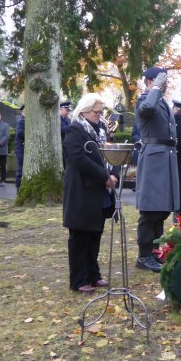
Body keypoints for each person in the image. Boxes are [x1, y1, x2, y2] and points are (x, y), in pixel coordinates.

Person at [62, 93, 117, 293]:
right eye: (96, 112)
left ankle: (94, 275)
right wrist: (104, 177)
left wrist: (113, 173)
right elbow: (79, 159)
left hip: (99, 191)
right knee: (79, 236)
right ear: (84, 110)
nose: (100, 115)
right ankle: (78, 279)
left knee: (95, 233)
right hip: (81, 190)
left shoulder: (101, 129)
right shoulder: (74, 130)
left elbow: (109, 154)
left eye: (101, 112)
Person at [134, 67, 180, 272]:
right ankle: (144, 255)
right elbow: (146, 110)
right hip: (153, 158)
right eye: (162, 80)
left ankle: (155, 252)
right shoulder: (145, 99)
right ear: (151, 81)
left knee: (162, 210)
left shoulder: (161, 101)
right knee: (150, 211)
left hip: (167, 157)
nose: (166, 84)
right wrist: (156, 89)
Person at [15, 105, 26, 190]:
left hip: (25, 148)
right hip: (21, 149)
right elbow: (20, 133)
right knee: (21, 169)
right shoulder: (21, 121)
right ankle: (18, 188)